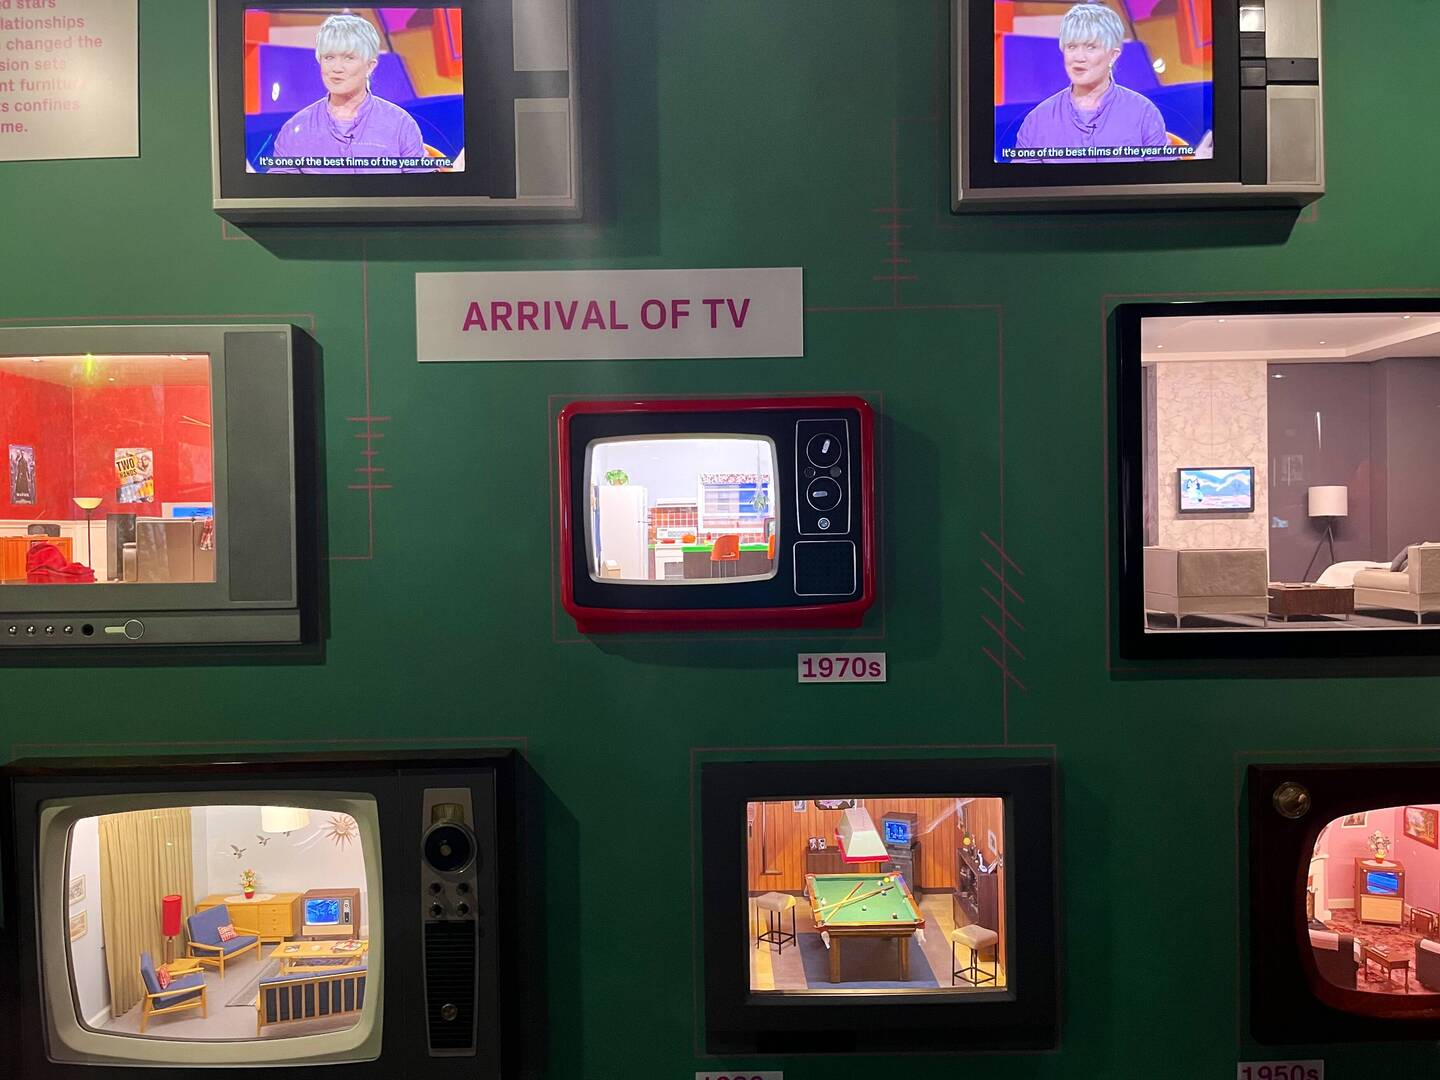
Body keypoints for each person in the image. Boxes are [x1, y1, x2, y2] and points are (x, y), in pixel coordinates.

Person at [269, 13, 426, 174]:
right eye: (329, 57)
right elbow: (279, 187)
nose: (337, 68)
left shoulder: (401, 124)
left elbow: (423, 186)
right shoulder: (295, 129)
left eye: (349, 58)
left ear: (370, 66)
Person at [1013, 3, 1168, 160]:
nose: (1079, 57)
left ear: (1113, 55)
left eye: (1091, 47)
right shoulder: (1037, 121)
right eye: (1072, 47)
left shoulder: (1144, 113)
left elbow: (1162, 174)